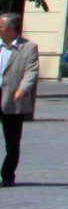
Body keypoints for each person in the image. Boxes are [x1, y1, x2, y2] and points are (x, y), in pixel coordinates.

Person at [0, 13, 41, 187]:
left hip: (12, 98)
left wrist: (24, 89)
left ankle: (7, 175)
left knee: (12, 142)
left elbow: (31, 70)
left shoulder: (28, 47)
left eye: (1, 26)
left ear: (11, 29)